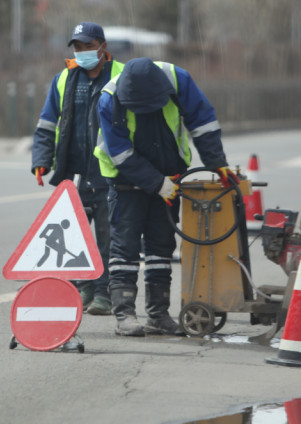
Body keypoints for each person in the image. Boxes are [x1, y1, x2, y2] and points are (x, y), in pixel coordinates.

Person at [94, 57, 236, 336]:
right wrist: (157, 184)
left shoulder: (178, 80)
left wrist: (216, 161)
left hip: (170, 176)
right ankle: (124, 315)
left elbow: (203, 122)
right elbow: (120, 152)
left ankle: (158, 315)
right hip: (126, 182)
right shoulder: (110, 99)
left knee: (161, 246)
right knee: (125, 248)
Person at [31, 22, 124, 315]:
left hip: (110, 174)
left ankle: (104, 293)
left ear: (103, 47)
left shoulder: (122, 75)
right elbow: (47, 123)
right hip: (73, 174)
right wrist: (41, 159)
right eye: (78, 47)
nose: (82, 52)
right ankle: (83, 288)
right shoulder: (64, 79)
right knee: (73, 238)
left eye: (88, 46)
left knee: (108, 239)